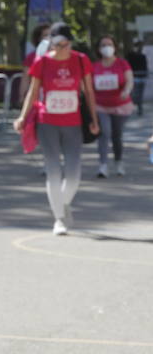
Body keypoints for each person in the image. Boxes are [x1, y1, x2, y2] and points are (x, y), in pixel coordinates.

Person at [12, 22, 99, 235]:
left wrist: (94, 119)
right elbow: (33, 92)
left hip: (73, 122)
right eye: (57, 44)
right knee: (53, 170)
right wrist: (22, 117)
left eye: (65, 44)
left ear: (70, 43)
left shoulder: (81, 60)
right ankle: (59, 218)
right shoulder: (42, 62)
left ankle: (64, 203)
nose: (62, 49)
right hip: (47, 121)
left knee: (73, 174)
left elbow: (89, 92)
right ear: (51, 43)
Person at [91, 34, 134, 177]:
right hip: (101, 106)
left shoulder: (122, 64)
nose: (106, 48)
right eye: (103, 45)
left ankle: (118, 162)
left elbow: (129, 80)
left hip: (120, 106)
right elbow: (88, 85)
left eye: (109, 45)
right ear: (98, 49)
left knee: (117, 135)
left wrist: (126, 91)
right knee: (104, 133)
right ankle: (103, 165)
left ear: (115, 47)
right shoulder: (95, 66)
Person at [126, 39, 147, 115]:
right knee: (135, 94)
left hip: (141, 77)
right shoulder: (131, 55)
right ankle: (134, 107)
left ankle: (139, 108)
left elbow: (145, 66)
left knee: (139, 94)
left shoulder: (142, 56)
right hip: (135, 77)